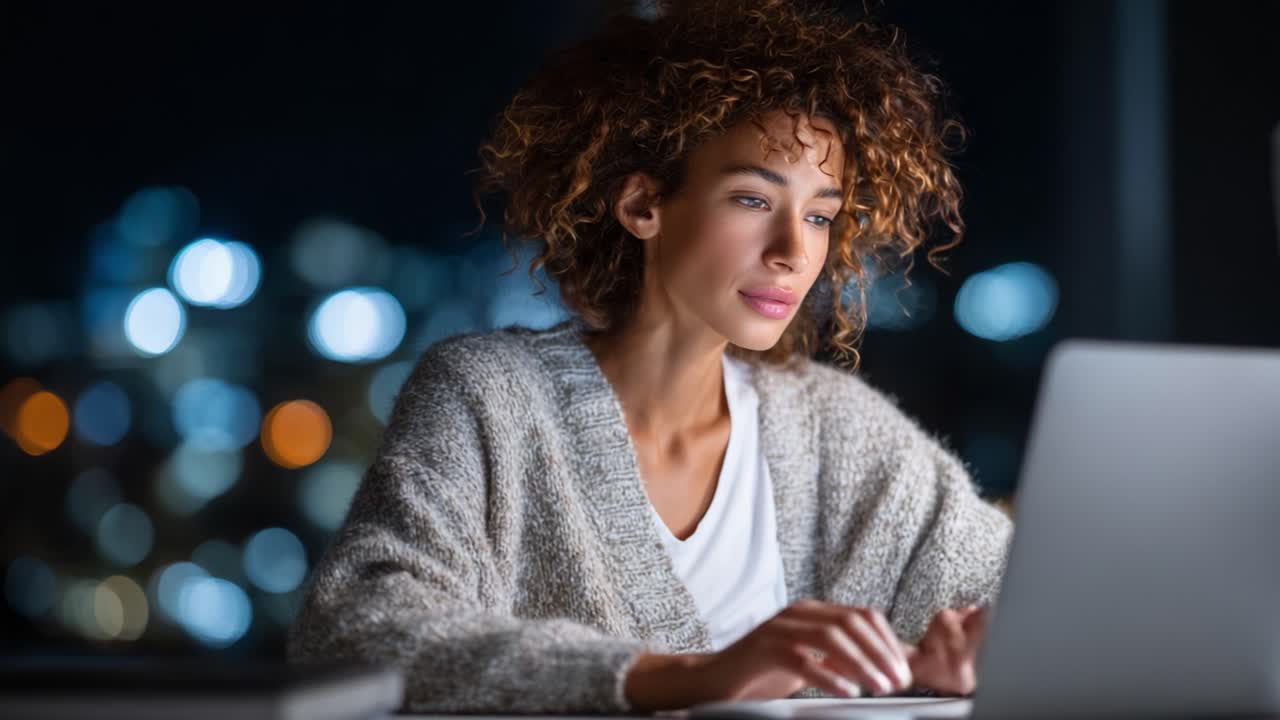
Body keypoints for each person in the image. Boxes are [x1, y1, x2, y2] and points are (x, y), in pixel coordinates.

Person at [288, 0, 1013, 713]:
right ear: (643, 206)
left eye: (820, 216)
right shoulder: (489, 400)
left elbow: (1019, 592)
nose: (796, 253)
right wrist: (683, 675)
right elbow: (355, 635)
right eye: (754, 201)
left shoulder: (840, 429)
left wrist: (978, 653)